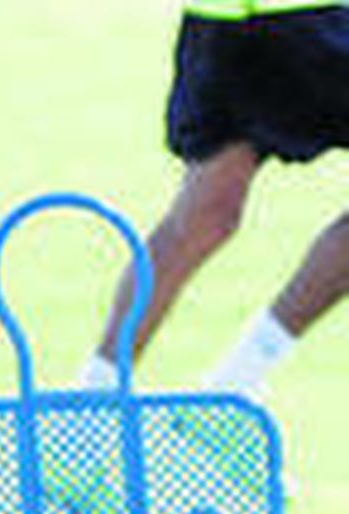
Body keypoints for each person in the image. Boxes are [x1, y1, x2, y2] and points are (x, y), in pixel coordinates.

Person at [80, 2, 349, 399]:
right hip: (251, 22)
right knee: (206, 216)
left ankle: (231, 382)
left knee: (205, 216)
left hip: (282, 21)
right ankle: (97, 397)